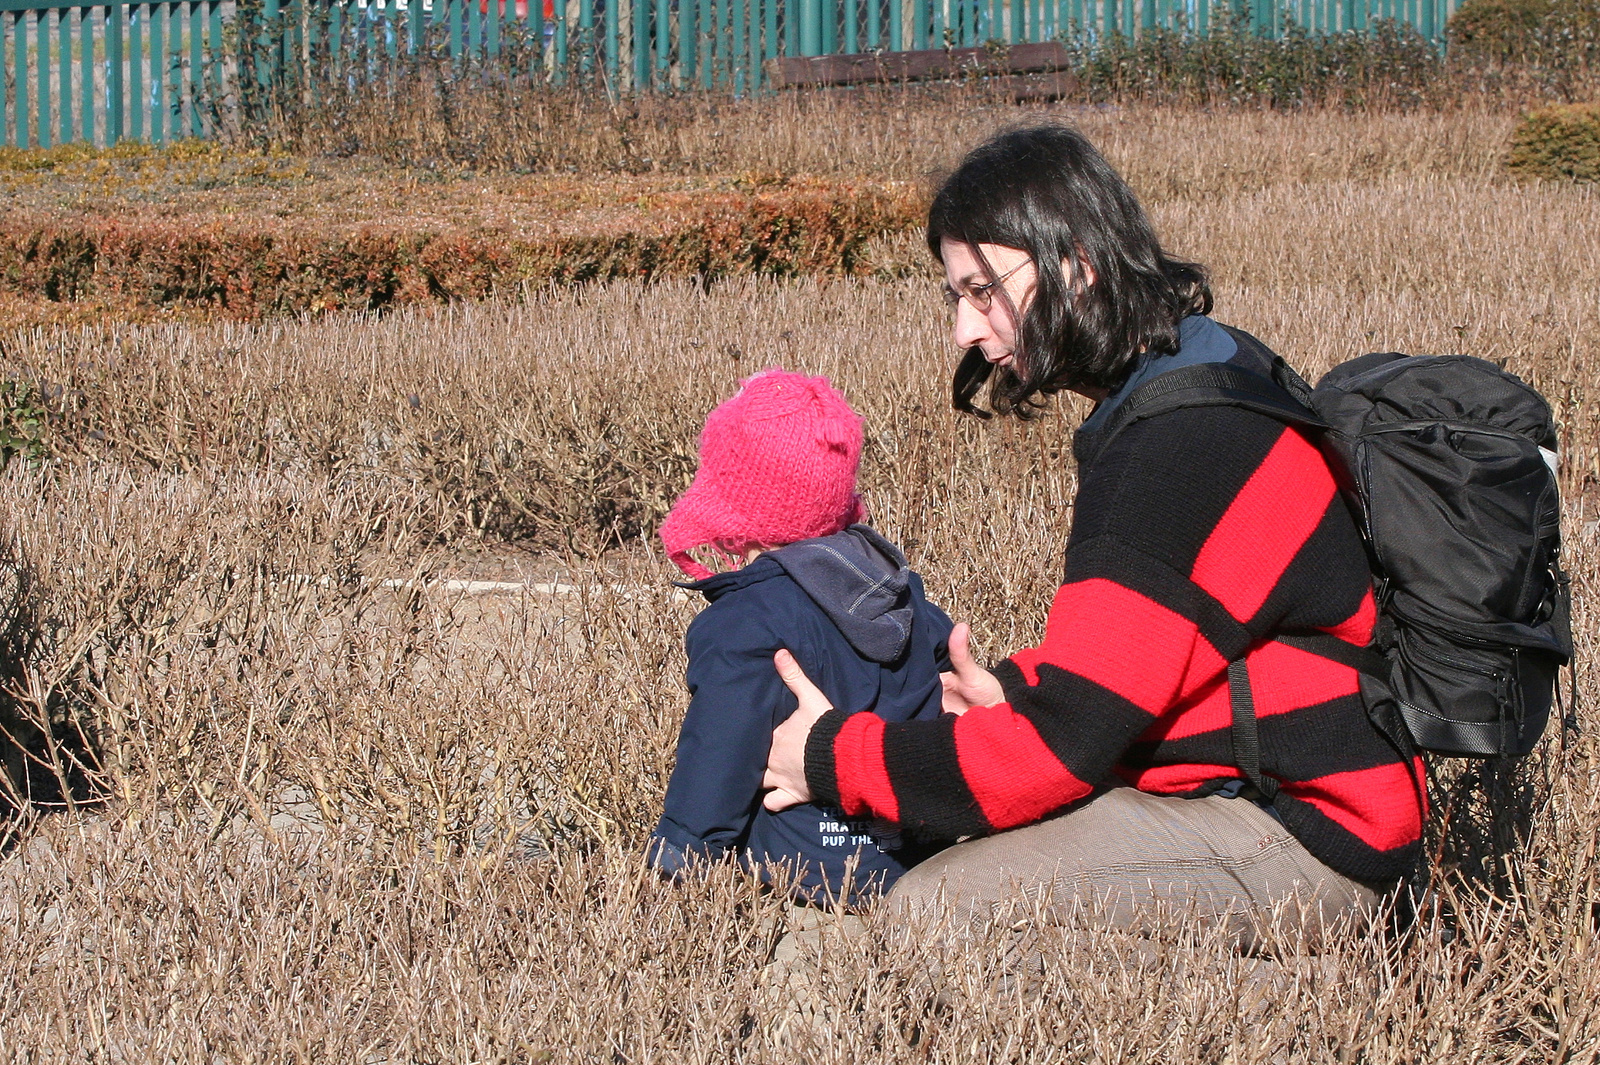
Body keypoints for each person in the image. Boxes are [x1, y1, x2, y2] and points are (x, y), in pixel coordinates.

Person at [759, 125, 1426, 941]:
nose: (964, 332)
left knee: (936, 916)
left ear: (1075, 263)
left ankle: (1311, 1004)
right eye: (954, 298)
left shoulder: (1174, 446)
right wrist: (1019, 693)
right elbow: (1159, 656)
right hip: (1283, 791)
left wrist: (828, 756)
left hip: (1311, 837)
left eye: (982, 291)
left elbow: (1058, 752)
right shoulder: (1206, 366)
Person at [649, 369, 955, 908]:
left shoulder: (745, 620)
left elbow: (721, 747)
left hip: (801, 873)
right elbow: (945, 667)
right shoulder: (900, 593)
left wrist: (681, 851)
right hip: (911, 860)